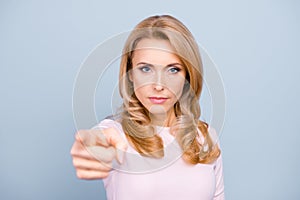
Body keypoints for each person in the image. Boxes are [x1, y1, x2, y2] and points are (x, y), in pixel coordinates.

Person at [70, 15, 225, 200]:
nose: (159, 85)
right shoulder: (116, 134)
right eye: (146, 69)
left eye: (173, 69)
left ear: (187, 77)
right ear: (129, 75)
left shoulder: (205, 136)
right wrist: (90, 146)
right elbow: (97, 140)